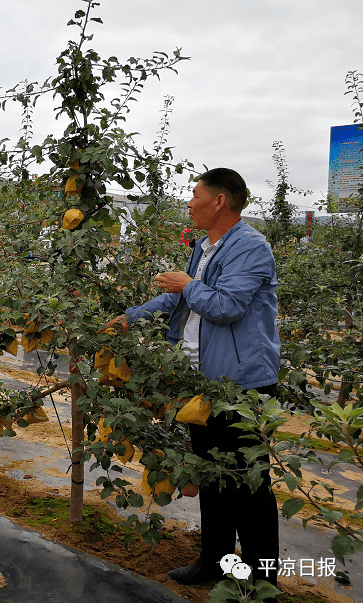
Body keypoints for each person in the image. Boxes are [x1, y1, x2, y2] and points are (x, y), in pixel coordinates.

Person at [107, 168, 280, 587]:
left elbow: (228, 306)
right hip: (201, 384)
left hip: (239, 385)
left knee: (248, 486)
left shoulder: (251, 248)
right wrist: (132, 318)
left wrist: (187, 285)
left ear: (219, 200)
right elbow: (177, 297)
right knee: (211, 479)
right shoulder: (204, 246)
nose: (189, 202)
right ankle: (214, 563)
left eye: (195, 194)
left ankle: (263, 582)